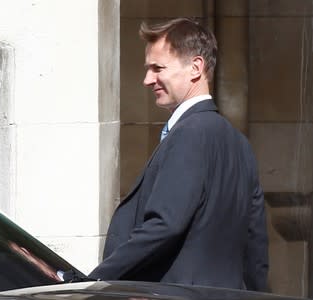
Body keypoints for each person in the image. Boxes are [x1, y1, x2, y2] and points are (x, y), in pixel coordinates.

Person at [89, 17, 268, 291]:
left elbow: (165, 224)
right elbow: (255, 248)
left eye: (157, 68)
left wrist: (96, 281)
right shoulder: (240, 144)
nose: (147, 80)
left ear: (196, 67)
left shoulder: (190, 132)